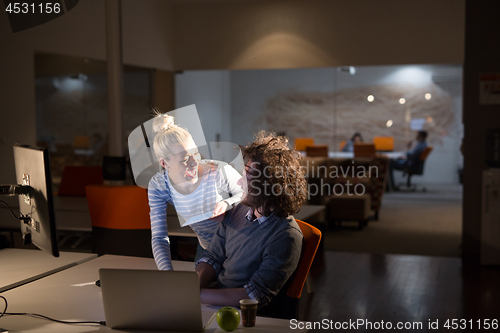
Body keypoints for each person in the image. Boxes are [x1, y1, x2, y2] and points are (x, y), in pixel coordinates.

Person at [195, 131, 307, 312]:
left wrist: (197, 295)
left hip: (246, 316)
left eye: (247, 175)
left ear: (268, 184)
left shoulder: (286, 236)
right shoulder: (238, 211)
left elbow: (256, 294)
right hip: (212, 304)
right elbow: (213, 256)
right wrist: (191, 288)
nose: (239, 182)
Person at [148, 112, 243, 271]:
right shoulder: (159, 185)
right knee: (195, 291)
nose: (194, 162)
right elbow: (159, 237)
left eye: (195, 153)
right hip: (208, 248)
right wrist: (167, 273)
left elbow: (250, 196)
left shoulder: (218, 170)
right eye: (185, 159)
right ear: (165, 163)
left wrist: (227, 203)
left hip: (240, 244)